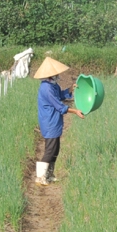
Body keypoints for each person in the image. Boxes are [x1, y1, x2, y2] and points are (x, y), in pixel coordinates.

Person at [34, 57, 84, 185]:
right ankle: (40, 177)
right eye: (56, 74)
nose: (58, 75)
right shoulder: (47, 88)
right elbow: (60, 106)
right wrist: (75, 111)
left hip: (54, 121)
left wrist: (70, 89)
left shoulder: (53, 85)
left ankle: (49, 174)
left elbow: (61, 96)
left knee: (56, 149)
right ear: (50, 75)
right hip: (49, 121)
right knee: (50, 149)